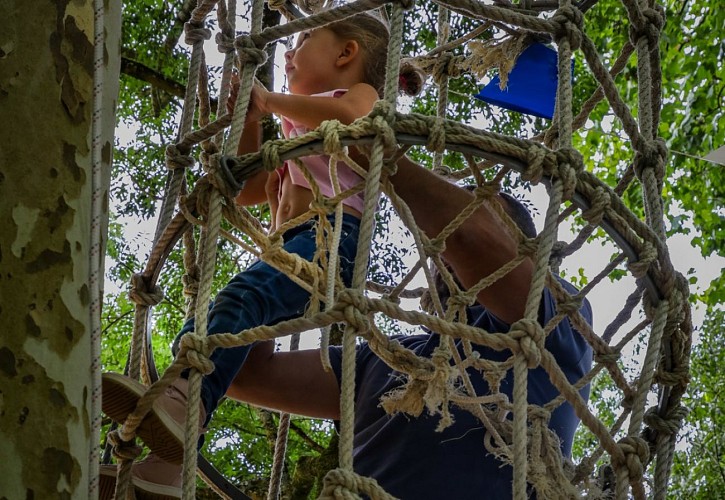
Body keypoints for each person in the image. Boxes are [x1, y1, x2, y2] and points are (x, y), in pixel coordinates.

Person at [100, 11, 422, 499]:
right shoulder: (298, 134)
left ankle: (185, 404)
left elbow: (356, 118)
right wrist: (250, 121)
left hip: (334, 237)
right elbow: (251, 190)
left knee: (237, 301)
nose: (289, 54)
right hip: (294, 245)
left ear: (345, 54)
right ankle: (164, 466)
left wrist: (269, 100)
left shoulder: (357, 100)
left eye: (304, 39)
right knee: (211, 327)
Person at [226, 160, 594, 499]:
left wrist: (378, 154)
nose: (444, 239)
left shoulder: (558, 318)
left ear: (527, 253)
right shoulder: (388, 355)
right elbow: (243, 373)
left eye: (476, 211)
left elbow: (469, 237)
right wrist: (287, 253)